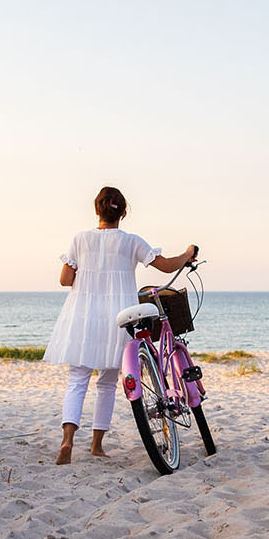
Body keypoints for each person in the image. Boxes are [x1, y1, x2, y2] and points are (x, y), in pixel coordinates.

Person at [43, 186, 198, 465]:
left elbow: (65, 280)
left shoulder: (80, 239)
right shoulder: (131, 242)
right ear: (123, 212)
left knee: (77, 380)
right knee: (107, 383)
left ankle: (67, 441)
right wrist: (187, 253)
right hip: (118, 317)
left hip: (83, 315)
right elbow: (165, 266)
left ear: (96, 210)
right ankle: (97, 445)